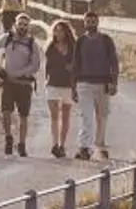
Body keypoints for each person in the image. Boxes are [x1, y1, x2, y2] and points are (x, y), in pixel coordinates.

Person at [0, 12, 42, 157]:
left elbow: (36, 64)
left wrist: (23, 72)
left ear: (29, 27)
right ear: (15, 25)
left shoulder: (32, 44)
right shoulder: (7, 38)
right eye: (20, 24)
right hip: (8, 82)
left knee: (23, 115)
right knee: (5, 112)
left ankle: (22, 144)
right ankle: (8, 137)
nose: (22, 27)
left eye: (25, 25)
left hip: (24, 84)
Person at [73, 10, 120, 161]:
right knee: (86, 116)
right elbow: (75, 64)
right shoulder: (80, 41)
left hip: (103, 83)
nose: (90, 24)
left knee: (102, 116)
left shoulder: (106, 40)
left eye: (93, 22)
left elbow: (114, 62)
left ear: (97, 23)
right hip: (84, 83)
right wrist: (73, 86)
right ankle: (84, 147)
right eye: (88, 21)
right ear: (84, 23)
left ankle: (100, 145)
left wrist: (114, 82)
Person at [43, 20, 78, 159]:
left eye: (61, 30)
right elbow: (46, 66)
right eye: (56, 30)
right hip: (52, 83)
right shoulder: (50, 47)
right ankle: (54, 144)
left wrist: (72, 68)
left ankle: (62, 145)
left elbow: (78, 64)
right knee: (54, 115)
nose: (58, 33)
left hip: (68, 85)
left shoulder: (73, 47)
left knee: (65, 116)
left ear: (66, 32)